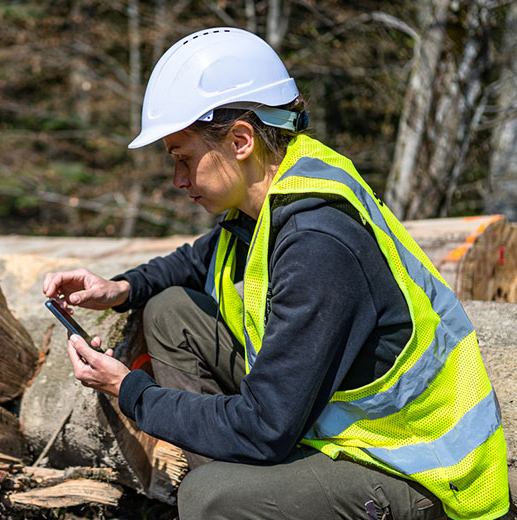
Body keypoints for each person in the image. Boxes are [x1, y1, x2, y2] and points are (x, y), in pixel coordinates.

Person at [42, 27, 509, 520]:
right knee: (170, 312)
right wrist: (121, 288)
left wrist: (130, 391)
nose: (178, 179)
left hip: (416, 473)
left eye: (185, 159)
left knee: (208, 497)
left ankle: (227, 498)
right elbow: (200, 258)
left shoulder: (318, 244)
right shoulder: (270, 198)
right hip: (329, 427)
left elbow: (265, 427)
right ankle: (240, 490)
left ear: (240, 140)